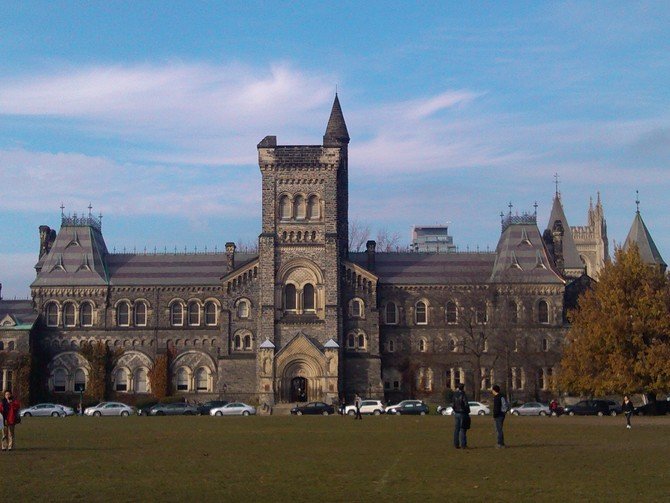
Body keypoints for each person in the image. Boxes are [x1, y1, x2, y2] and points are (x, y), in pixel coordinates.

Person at [452, 383, 470, 449]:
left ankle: (456, 444)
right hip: (463, 413)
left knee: (456, 429)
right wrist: (467, 411)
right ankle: (463, 444)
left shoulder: (455, 394)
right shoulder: (463, 395)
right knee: (463, 429)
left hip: (456, 413)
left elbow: (453, 405)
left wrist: (455, 410)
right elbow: (466, 404)